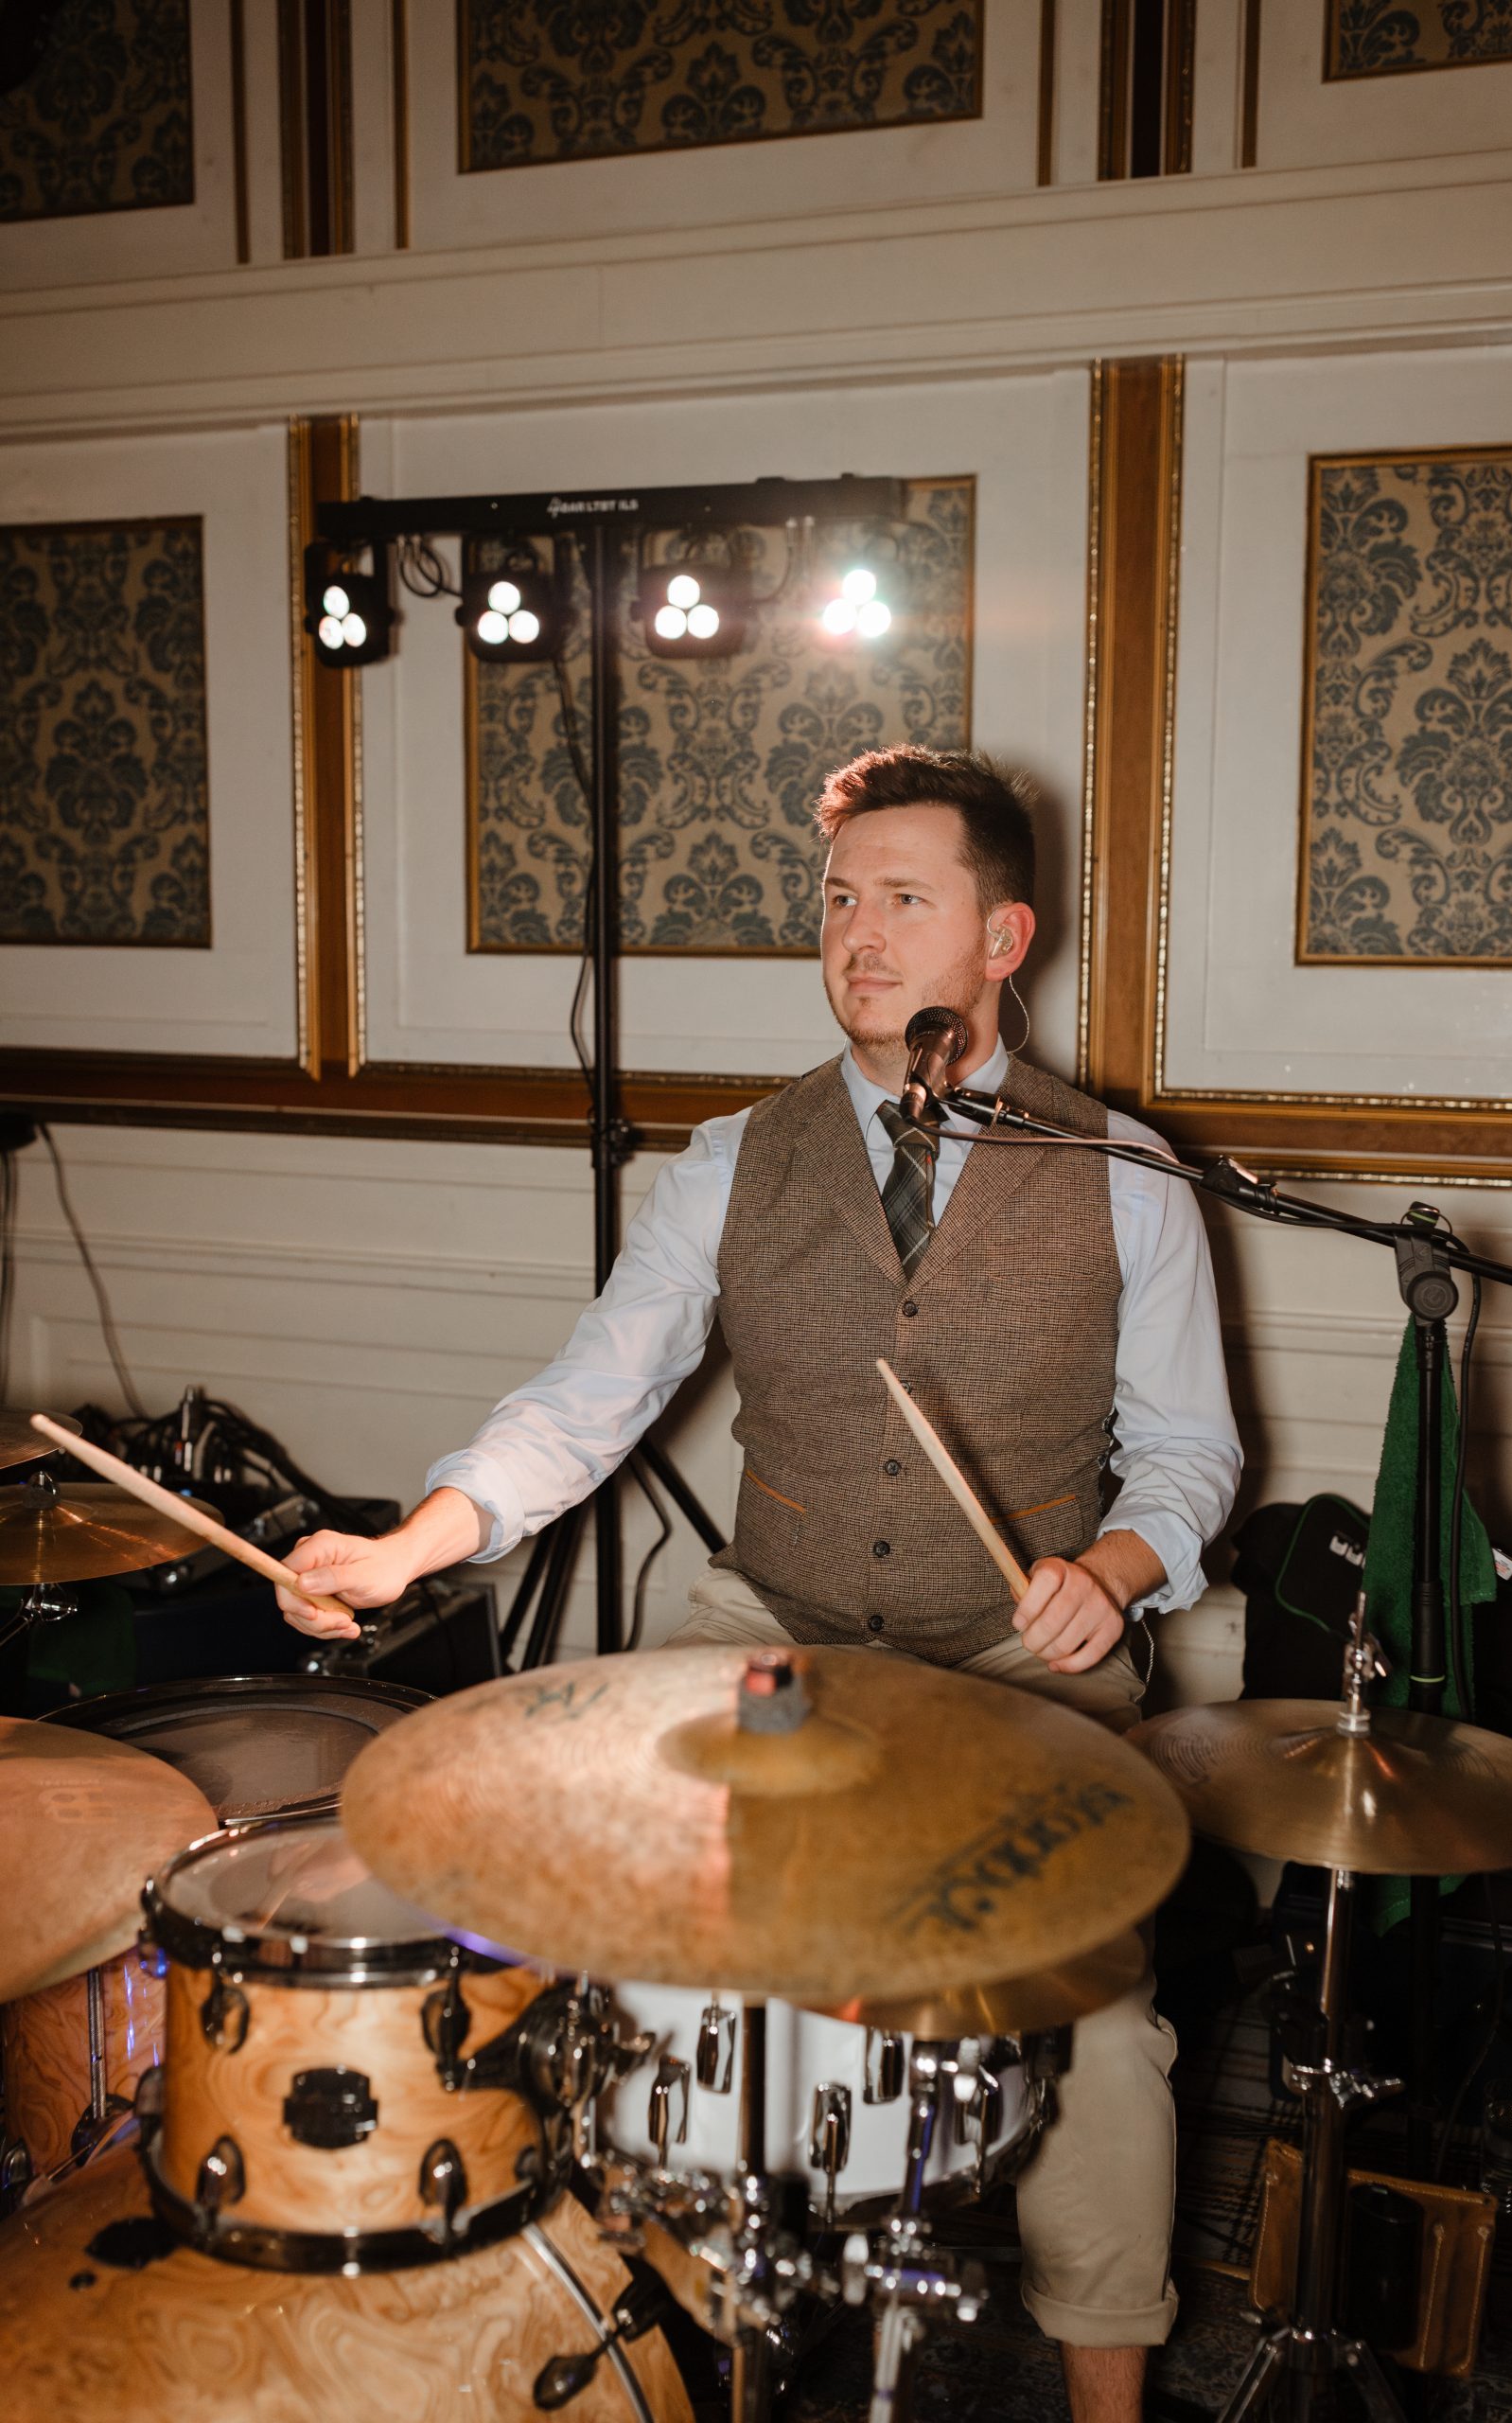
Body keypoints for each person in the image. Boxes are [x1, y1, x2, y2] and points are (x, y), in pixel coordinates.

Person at [277, 744, 1240, 2423]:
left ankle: (1108, 2403)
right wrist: (412, 1545)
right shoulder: (734, 1160)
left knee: (1096, 2029)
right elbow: (589, 1399)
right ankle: (656, 2348)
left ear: (1002, 938)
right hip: (775, 1623)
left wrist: (1113, 1568)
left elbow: (1189, 1456)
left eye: (906, 900)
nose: (858, 936)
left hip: (1020, 1654)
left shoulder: (1128, 1177)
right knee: (622, 1939)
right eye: (840, 898)